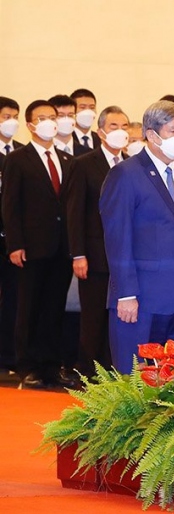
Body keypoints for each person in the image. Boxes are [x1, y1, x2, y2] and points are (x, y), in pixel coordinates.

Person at [101, 101, 174, 375]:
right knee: (136, 379)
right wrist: (125, 293)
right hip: (141, 298)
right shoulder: (125, 174)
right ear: (151, 134)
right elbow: (118, 238)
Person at [1, 99, 75, 388]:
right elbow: (10, 205)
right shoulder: (18, 159)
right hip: (31, 247)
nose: (49, 122)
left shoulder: (67, 159)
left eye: (52, 117)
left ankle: (51, 365)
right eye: (42, 118)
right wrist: (15, 244)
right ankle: (27, 365)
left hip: (62, 247)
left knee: (54, 308)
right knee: (28, 308)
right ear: (30, 125)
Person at [63, 105, 129, 375]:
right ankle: (88, 373)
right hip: (94, 255)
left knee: (119, 318)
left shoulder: (132, 164)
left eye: (124, 126)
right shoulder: (83, 164)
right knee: (93, 318)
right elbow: (74, 212)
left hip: (125, 258)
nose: (120, 131)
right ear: (101, 131)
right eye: (114, 126)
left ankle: (113, 372)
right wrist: (78, 254)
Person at [0, 97, 21, 376]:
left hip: (13, 239)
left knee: (14, 299)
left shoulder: (20, 153)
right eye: (6, 116)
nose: (12, 122)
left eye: (15, 116)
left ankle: (8, 353)